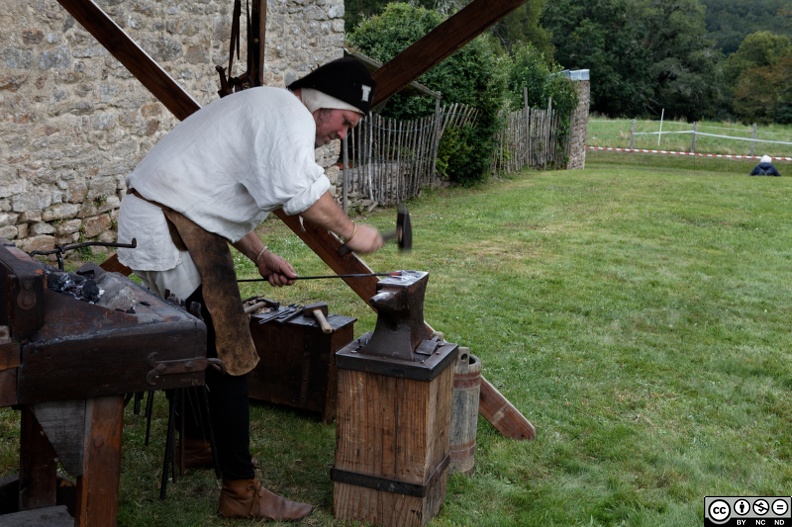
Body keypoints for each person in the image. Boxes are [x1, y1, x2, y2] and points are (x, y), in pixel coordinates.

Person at [116, 57, 383, 521]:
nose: (342, 135)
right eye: (345, 122)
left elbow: (218, 196)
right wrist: (351, 230)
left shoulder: (271, 109)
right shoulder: (288, 114)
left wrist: (261, 255)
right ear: (322, 104)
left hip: (174, 223)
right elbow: (303, 193)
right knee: (230, 355)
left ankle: (196, 444)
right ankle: (241, 491)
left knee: (195, 343)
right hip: (168, 229)